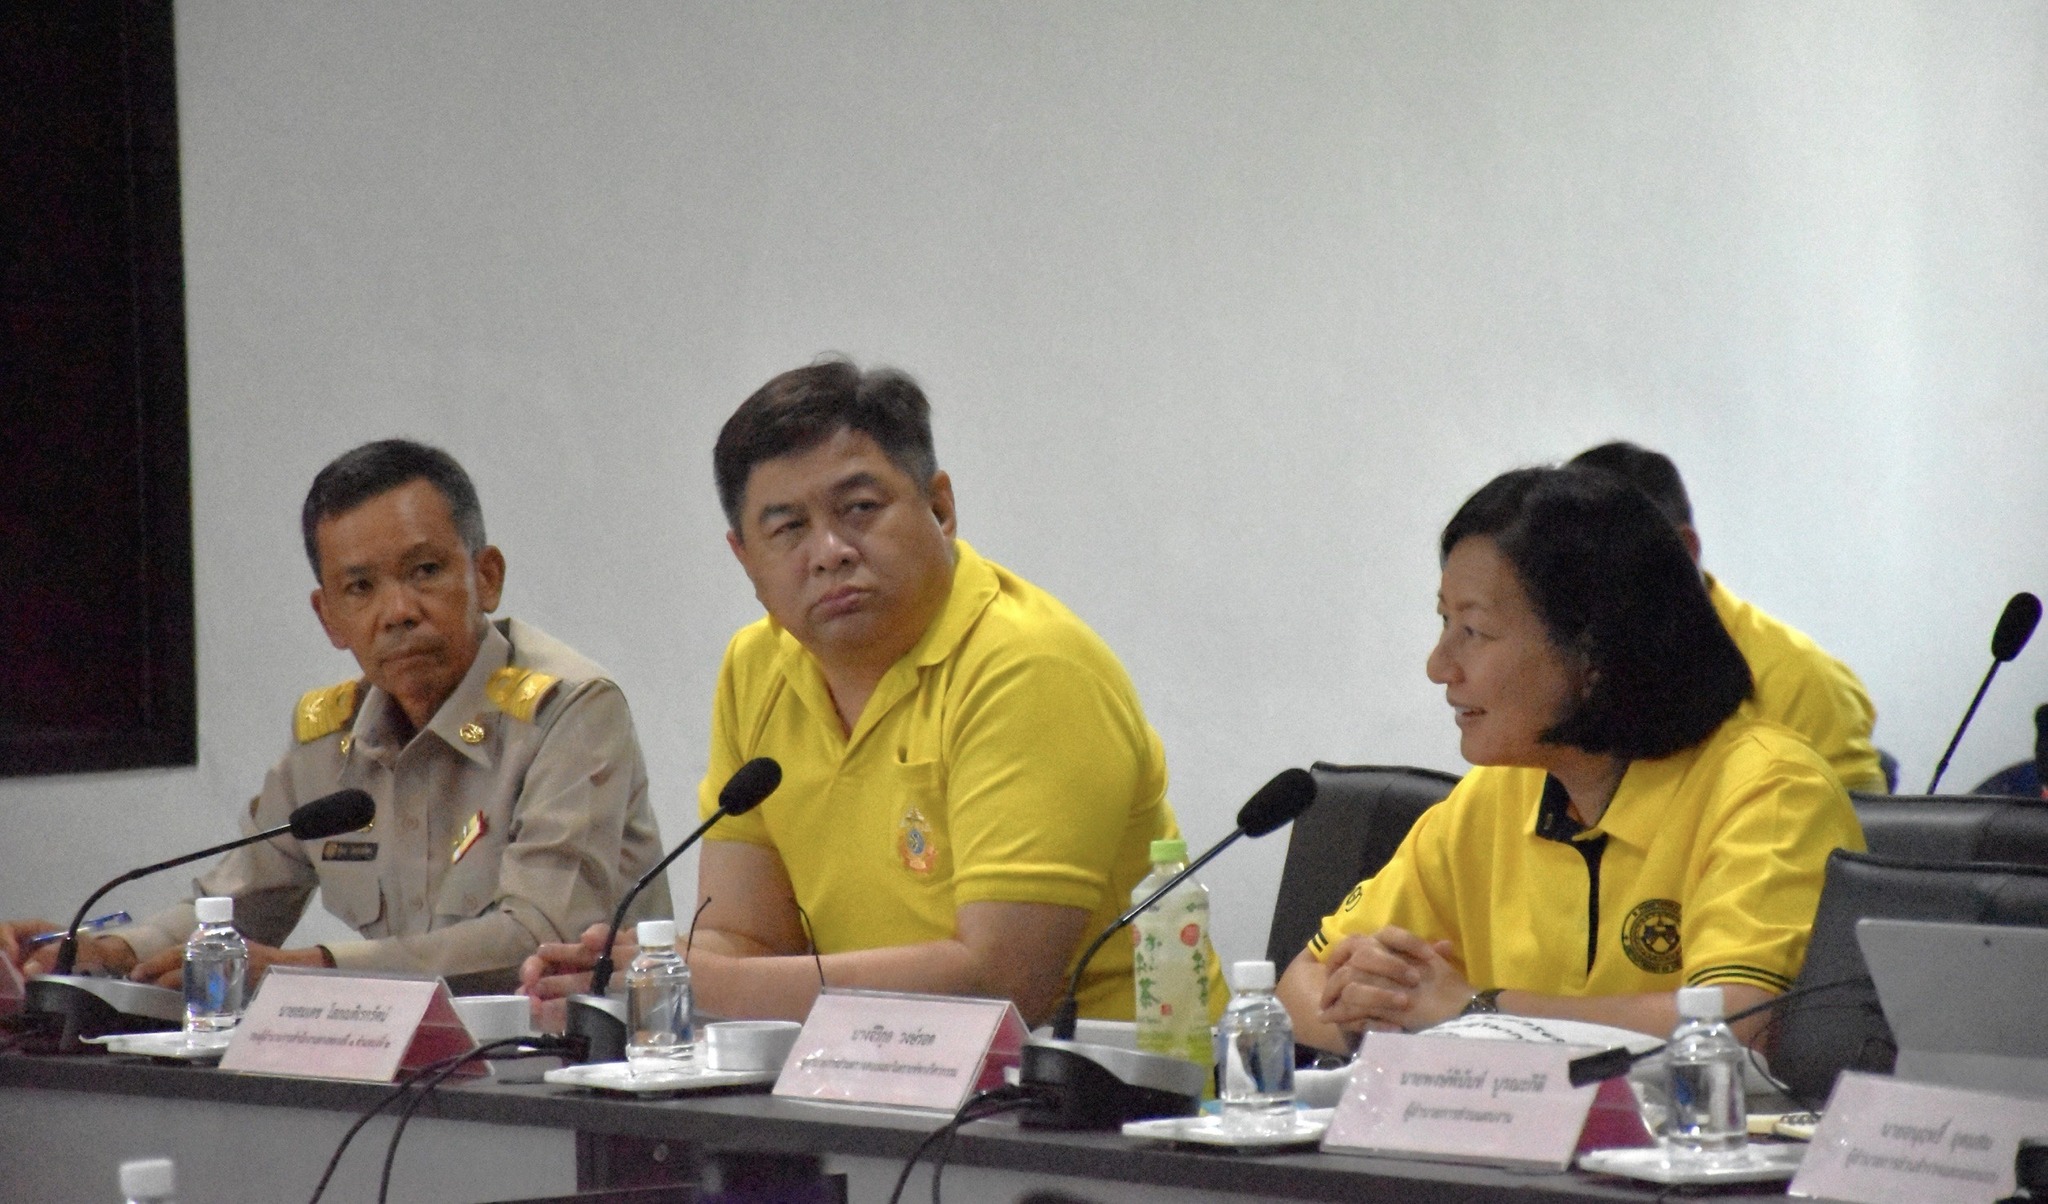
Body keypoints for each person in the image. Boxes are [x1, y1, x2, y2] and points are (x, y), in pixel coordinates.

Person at [523, 359, 1209, 1027]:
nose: (830, 551)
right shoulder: (756, 667)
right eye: (788, 528)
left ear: (940, 509)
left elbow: (1002, 984)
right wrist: (636, 973)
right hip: (871, 1069)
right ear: (746, 559)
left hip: (1101, 1084)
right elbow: (747, 937)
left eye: (859, 509)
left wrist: (697, 979)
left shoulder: (1029, 665)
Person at [0, 440, 670, 992]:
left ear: (486, 577)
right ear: (329, 617)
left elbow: (536, 938)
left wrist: (312, 971)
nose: (398, 611)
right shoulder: (328, 742)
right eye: (361, 587)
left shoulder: (571, 710)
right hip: (414, 1065)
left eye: (425, 570)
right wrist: (110, 952)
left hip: (582, 1065)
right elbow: (238, 905)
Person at [1278, 466, 1864, 1050]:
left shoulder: (1771, 789)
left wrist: (1476, 1012)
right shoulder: (1496, 796)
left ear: (1594, 651)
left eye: (1474, 631)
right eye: (1444, 621)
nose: (1439, 666)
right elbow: (1299, 988)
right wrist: (1385, 1014)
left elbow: (1737, 1028)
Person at [1569, 441, 1886, 793]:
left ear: (1684, 550)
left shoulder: (1804, 682)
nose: (1571, 593)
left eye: (1602, 565)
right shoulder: (1550, 677)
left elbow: (1852, 826)